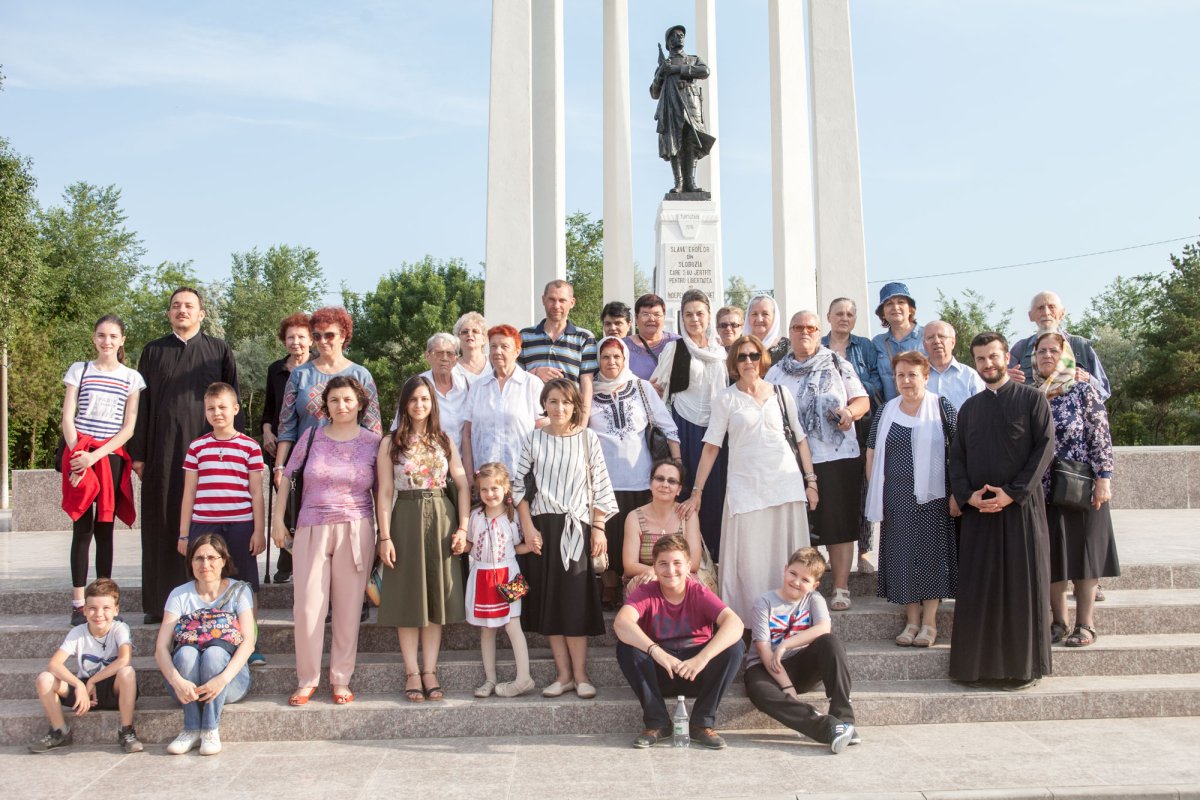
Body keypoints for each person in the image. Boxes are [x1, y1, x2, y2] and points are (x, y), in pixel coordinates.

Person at [684, 335, 818, 626]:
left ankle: (790, 623)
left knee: (787, 557)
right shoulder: (726, 398)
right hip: (745, 489)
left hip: (786, 487)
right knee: (750, 562)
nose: (748, 361)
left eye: (754, 355)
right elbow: (711, 446)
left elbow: (800, 439)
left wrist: (811, 482)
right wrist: (697, 491)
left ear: (762, 359)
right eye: (742, 356)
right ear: (734, 362)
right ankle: (748, 625)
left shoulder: (781, 393)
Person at [949, 332, 1056, 689]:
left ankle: (1021, 669)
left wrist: (1012, 493)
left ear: (1007, 357)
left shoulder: (1032, 400)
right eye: (980, 359)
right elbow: (957, 458)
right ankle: (975, 669)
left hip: (1019, 512)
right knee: (980, 590)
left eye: (993, 356)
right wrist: (968, 496)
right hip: (979, 514)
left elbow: (1044, 450)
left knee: (1020, 589)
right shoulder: (969, 409)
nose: (988, 364)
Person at [129, 287, 242, 624]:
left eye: (189, 306)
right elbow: (141, 404)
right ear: (168, 313)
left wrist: (233, 449)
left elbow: (232, 400)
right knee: (162, 522)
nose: (182, 310)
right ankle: (159, 603)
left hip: (209, 451)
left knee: (205, 526)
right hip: (162, 453)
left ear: (201, 314)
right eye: (176, 305)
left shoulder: (218, 350)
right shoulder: (153, 351)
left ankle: (211, 601)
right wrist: (139, 453)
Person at [272, 376, 382, 706]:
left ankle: (341, 679)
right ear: (326, 406)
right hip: (311, 526)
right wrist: (278, 521)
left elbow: (383, 490)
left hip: (356, 527)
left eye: (348, 399)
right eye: (334, 400)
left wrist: (385, 534)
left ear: (360, 404)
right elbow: (288, 476)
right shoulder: (312, 436)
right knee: (308, 608)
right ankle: (307, 679)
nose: (341, 405)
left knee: (348, 609)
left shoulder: (374, 442)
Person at [513, 378, 617, 699]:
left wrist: (599, 527)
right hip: (543, 530)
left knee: (574, 602)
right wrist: (528, 528)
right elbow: (518, 487)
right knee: (551, 601)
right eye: (553, 401)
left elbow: (600, 483)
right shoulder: (533, 438)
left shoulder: (587, 438)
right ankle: (563, 676)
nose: (559, 408)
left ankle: (582, 675)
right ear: (544, 404)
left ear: (575, 406)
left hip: (577, 529)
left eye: (566, 402)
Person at [376, 375, 470, 703]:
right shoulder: (390, 443)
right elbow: (384, 492)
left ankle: (430, 670)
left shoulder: (444, 440)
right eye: (414, 399)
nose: (419, 405)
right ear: (404, 404)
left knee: (435, 598)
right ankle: (412, 672)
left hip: (441, 518)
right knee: (407, 597)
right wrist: (384, 536)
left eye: (425, 399)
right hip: (405, 517)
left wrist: (463, 528)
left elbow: (462, 484)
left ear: (433, 403)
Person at [767, 310, 870, 610]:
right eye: (798, 327)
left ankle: (840, 588)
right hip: (792, 460)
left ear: (818, 331)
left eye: (810, 328)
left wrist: (849, 413)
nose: (804, 332)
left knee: (839, 525)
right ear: (790, 332)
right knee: (801, 526)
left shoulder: (837, 363)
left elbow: (861, 399)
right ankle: (803, 589)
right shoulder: (776, 372)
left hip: (836, 456)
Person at [613, 534, 745, 749]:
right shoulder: (646, 592)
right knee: (627, 647)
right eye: (663, 564)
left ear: (688, 566)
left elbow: (735, 624)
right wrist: (656, 651)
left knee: (735, 647)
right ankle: (658, 723)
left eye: (677, 563)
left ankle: (702, 723)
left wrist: (701, 659)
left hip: (696, 672)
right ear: (654, 567)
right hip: (662, 671)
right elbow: (621, 623)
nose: (671, 570)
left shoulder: (698, 592)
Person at [1032, 331, 1120, 647]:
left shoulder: (1083, 390)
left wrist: (1103, 478)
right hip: (1043, 490)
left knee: (1085, 557)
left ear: (1066, 355)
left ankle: (1085, 624)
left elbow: (1100, 435)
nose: (1047, 355)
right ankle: (1058, 622)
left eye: (1053, 350)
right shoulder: (1031, 395)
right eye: (1041, 351)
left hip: (1081, 487)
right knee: (1052, 558)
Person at [866, 351, 959, 648]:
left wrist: (958, 493)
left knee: (931, 556)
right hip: (897, 496)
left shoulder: (941, 406)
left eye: (912, 375)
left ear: (926, 377)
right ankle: (911, 621)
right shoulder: (886, 410)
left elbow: (959, 450)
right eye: (900, 375)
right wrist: (877, 490)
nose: (906, 380)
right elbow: (871, 451)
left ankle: (929, 622)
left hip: (935, 498)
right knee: (903, 555)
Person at [59, 315, 142, 626]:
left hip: (109, 456)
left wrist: (95, 457)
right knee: (81, 528)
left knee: (105, 529)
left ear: (122, 341)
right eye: (102, 335)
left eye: (113, 336)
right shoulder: (79, 370)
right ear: (94, 338)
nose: (107, 341)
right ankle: (79, 603)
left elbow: (128, 428)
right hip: (78, 452)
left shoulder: (132, 378)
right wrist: (78, 455)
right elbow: (68, 417)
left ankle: (105, 602)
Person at [179, 382, 266, 666]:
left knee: (246, 585)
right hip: (204, 525)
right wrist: (183, 535)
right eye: (211, 408)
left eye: (222, 407)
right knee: (204, 581)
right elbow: (189, 492)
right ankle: (201, 636)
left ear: (235, 409)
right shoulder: (197, 447)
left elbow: (256, 493)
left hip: (240, 525)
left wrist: (259, 531)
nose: (217, 413)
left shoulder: (250, 447)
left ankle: (250, 643)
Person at [589, 336, 681, 600]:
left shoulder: (641, 387)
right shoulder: (589, 391)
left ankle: (638, 586)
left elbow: (668, 427)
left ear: (625, 359)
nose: (611, 362)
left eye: (617, 356)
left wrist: (677, 464)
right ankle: (610, 584)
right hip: (604, 480)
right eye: (606, 357)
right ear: (598, 360)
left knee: (639, 536)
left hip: (640, 478)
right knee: (610, 535)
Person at [744, 548, 859, 754]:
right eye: (793, 574)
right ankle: (827, 727)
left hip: (801, 665)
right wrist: (786, 686)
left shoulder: (814, 599)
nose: (796, 582)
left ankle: (844, 720)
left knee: (830, 642)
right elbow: (763, 648)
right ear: (785, 569)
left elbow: (823, 628)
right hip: (766, 667)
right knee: (758, 691)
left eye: (805, 580)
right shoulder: (764, 602)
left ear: (814, 585)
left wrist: (785, 644)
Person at [156, 534, 255, 756]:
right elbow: (161, 647)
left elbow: (249, 643)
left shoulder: (239, 591)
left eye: (212, 557)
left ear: (223, 560)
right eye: (198, 558)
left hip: (229, 682)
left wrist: (222, 679)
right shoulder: (179, 595)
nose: (205, 564)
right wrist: (177, 681)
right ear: (191, 562)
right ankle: (191, 728)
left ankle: (210, 729)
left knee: (215, 653)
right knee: (185, 653)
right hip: (186, 686)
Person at [650, 289, 729, 558]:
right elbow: (657, 391)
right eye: (688, 314)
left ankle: (714, 559)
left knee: (715, 495)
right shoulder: (675, 349)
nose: (694, 319)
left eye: (699, 313)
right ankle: (684, 558)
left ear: (709, 315)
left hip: (716, 431)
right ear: (681, 318)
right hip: (684, 428)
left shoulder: (720, 351)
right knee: (684, 494)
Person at [30, 578, 142, 754]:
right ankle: (60, 731)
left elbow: (124, 660)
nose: (99, 614)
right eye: (92, 608)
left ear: (116, 610)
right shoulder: (77, 632)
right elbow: (54, 664)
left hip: (112, 689)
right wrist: (79, 685)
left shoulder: (120, 628)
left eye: (106, 608)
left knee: (127, 672)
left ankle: (126, 730)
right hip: (83, 693)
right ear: (84, 610)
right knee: (44, 679)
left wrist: (93, 681)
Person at [273, 306, 382, 478]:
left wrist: (378, 470)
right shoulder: (299, 375)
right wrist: (279, 467)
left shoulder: (361, 375)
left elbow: (373, 428)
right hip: (308, 468)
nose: (322, 341)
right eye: (317, 336)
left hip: (352, 468)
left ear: (343, 336)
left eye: (329, 335)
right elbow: (287, 426)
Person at [822, 297, 884, 575]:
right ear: (829, 317)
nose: (844, 318)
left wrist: (849, 384)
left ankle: (863, 552)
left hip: (861, 424)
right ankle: (828, 552)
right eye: (839, 313)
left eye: (849, 314)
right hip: (827, 427)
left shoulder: (865, 347)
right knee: (831, 490)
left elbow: (876, 382)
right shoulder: (819, 346)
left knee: (861, 488)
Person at [465, 462, 535, 698]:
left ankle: (524, 677)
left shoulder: (513, 517)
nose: (489, 494)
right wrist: (460, 545)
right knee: (487, 629)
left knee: (513, 625)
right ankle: (490, 679)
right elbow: (471, 545)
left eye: (494, 488)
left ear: (505, 488)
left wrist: (532, 546)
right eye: (484, 489)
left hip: (509, 576)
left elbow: (517, 547)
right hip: (482, 577)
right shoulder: (475, 516)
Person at [259, 312, 312, 583]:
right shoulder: (276, 370)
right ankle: (287, 559)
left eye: (301, 337)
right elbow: (269, 408)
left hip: (311, 442)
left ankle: (307, 558)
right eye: (290, 337)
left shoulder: (319, 368)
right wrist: (267, 431)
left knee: (307, 501)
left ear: (311, 340)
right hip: (282, 445)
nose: (296, 342)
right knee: (287, 504)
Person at [461, 325, 546, 481]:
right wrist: (468, 475)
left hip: (521, 477)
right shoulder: (477, 387)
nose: (497, 351)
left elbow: (543, 429)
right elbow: (466, 434)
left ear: (517, 351)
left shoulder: (531, 384)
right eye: (493, 346)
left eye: (504, 347)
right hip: (485, 479)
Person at [622, 458, 707, 595]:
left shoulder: (688, 516)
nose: (665, 484)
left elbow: (694, 563)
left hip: (680, 577)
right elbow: (629, 565)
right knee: (648, 583)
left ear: (679, 489)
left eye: (672, 481)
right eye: (660, 479)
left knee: (692, 588)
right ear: (650, 484)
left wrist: (665, 573)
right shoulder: (634, 517)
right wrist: (654, 572)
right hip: (647, 577)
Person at [518, 280, 598, 421]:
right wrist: (535, 373)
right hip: (531, 419)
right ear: (543, 300)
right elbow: (514, 379)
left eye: (562, 300)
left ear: (572, 302)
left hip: (569, 420)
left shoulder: (584, 338)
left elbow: (587, 384)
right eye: (551, 299)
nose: (556, 306)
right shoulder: (524, 336)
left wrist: (582, 423)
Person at [1008, 291, 1111, 402]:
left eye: (1051, 307)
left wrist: (1088, 379)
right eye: (1040, 308)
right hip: (1030, 411)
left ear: (1062, 313)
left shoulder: (1080, 346)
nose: (1046, 312)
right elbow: (1000, 392)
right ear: (1030, 316)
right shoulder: (1020, 348)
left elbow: (1104, 392)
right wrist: (1006, 380)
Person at [650, 24, 715, 195]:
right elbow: (654, 92)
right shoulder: (664, 65)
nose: (679, 37)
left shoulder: (692, 60)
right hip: (671, 106)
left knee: (691, 141)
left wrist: (678, 69)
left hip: (691, 105)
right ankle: (679, 183)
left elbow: (705, 71)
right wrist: (662, 73)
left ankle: (690, 183)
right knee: (674, 142)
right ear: (668, 43)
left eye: (681, 35)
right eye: (674, 35)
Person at [391, 332, 471, 451]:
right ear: (427, 356)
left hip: (462, 459)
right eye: (439, 353)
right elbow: (400, 426)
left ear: (456, 359)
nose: (444, 358)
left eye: (449, 354)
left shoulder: (466, 385)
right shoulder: (416, 386)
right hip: (427, 458)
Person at [871, 282, 925, 402]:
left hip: (925, 409)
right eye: (889, 304)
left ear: (910, 309)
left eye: (901, 302)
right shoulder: (877, 343)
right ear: (882, 313)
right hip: (892, 410)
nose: (895, 307)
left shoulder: (927, 335)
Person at [923, 320, 984, 411]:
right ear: (924, 345)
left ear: (953, 342)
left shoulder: (970, 376)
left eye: (942, 336)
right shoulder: (916, 376)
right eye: (930, 337)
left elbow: (982, 409)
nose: (936, 341)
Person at [626, 293, 679, 380]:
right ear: (636, 317)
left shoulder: (677, 342)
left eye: (657, 314)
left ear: (664, 317)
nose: (651, 319)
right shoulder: (622, 346)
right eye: (645, 314)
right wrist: (643, 386)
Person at [746, 294, 790, 364]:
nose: (759, 319)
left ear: (774, 318)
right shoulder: (740, 347)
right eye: (754, 314)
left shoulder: (788, 348)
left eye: (765, 314)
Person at [453, 311, 491, 384]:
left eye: (475, 331)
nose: (469, 334)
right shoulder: (452, 367)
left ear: (484, 338)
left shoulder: (493, 363)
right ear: (458, 338)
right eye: (465, 332)